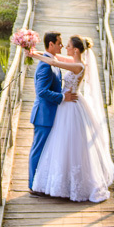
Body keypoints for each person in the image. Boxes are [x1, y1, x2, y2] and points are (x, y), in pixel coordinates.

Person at [28, 35, 114, 202]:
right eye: (63, 44)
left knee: (69, 142)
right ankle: (56, 182)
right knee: (62, 142)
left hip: (70, 104)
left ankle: (70, 183)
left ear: (75, 49)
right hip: (66, 104)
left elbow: (54, 62)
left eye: (67, 46)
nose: (65, 48)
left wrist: (33, 56)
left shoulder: (78, 66)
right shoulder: (75, 61)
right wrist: (33, 51)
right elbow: (53, 57)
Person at [27, 31, 77, 193]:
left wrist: (35, 52)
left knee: (45, 150)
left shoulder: (51, 60)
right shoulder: (45, 66)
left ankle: (41, 183)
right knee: (38, 150)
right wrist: (63, 97)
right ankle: (33, 185)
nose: (61, 46)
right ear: (51, 44)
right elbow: (41, 91)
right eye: (59, 43)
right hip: (43, 115)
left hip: (50, 114)